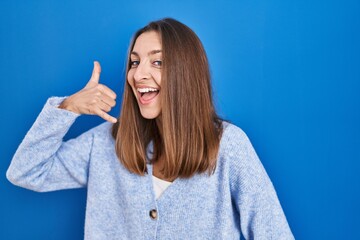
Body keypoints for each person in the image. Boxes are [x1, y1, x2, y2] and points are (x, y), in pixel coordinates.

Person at [6, 18, 294, 239]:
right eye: (134, 62)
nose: (138, 73)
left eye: (157, 61)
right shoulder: (107, 143)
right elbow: (26, 171)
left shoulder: (227, 145)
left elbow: (274, 233)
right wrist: (67, 108)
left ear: (185, 73)